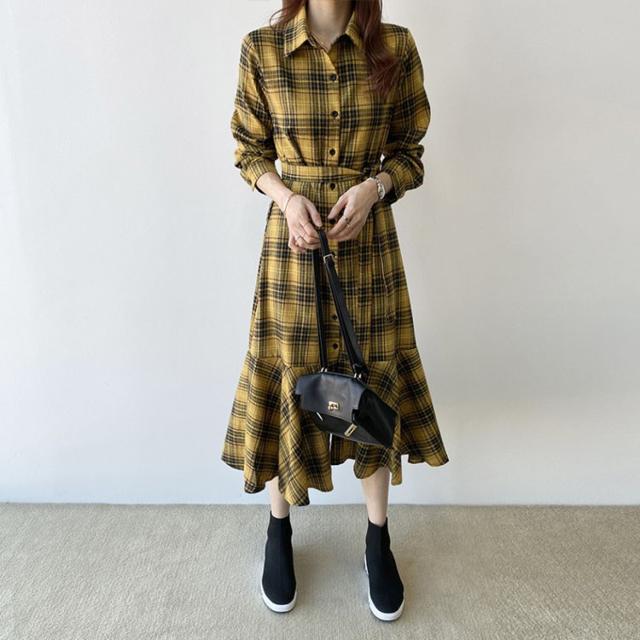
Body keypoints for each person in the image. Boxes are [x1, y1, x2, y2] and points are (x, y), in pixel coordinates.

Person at [221, 0, 449, 621]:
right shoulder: (261, 49)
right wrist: (285, 197)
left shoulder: (394, 46)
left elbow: (409, 152)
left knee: (370, 378)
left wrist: (375, 189)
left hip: (366, 245)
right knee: (288, 379)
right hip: (293, 247)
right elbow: (248, 149)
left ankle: (377, 538)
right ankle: (278, 529)